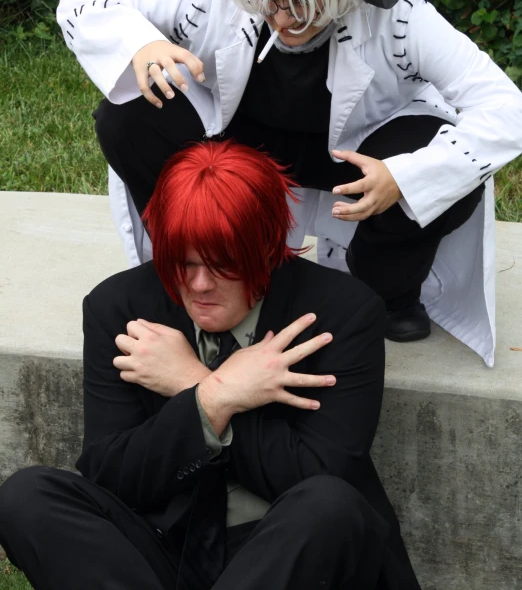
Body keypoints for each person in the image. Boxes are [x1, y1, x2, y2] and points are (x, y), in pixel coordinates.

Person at [56, 0, 522, 363]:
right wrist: (142, 43)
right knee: (126, 117)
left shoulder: (398, 15)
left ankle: (386, 291)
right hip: (238, 152)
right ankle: (194, 266)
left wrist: (404, 177)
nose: (283, 17)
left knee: (444, 162)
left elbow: (506, 108)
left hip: (356, 162)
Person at [0, 140, 421, 590]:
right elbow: (113, 476)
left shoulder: (342, 313)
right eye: (183, 262)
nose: (199, 285)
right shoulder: (118, 308)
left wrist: (197, 385)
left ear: (265, 248)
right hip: (163, 551)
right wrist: (213, 399)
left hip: (288, 551)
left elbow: (320, 475)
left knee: (329, 505)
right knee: (27, 497)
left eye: (221, 265)